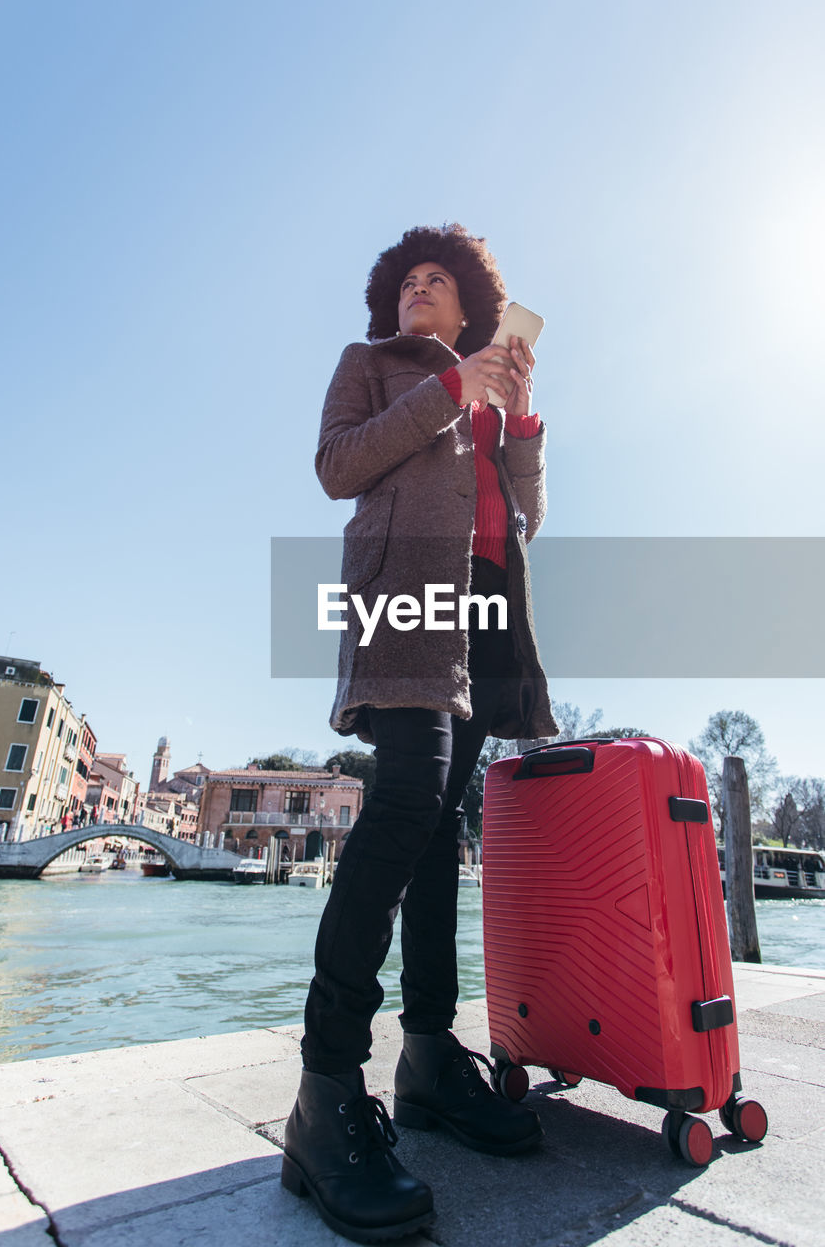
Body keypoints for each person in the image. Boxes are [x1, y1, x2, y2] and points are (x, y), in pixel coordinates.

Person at [282, 223, 558, 1242]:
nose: (417, 292)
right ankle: (324, 1091)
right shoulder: (374, 367)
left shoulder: (490, 395)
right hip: (404, 601)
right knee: (402, 806)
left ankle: (430, 1057)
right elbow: (336, 465)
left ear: (471, 305)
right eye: (406, 283)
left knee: (440, 832)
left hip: (487, 610)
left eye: (436, 282)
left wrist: (518, 421)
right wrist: (447, 393)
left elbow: (525, 517)